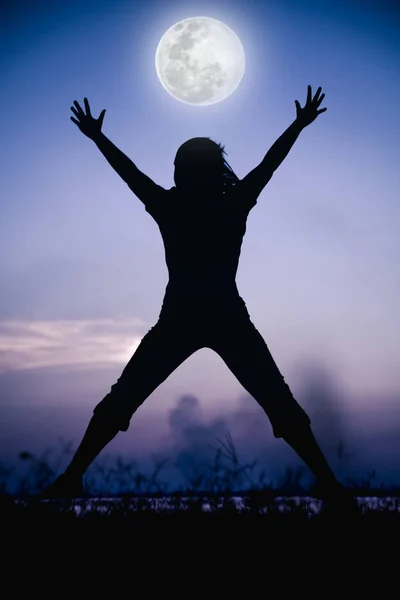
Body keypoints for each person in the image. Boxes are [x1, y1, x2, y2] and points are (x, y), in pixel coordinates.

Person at [43, 86, 353, 508]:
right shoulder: (227, 203)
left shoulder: (181, 205)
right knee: (271, 400)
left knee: (129, 398)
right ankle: (328, 483)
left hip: (197, 318)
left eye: (181, 165)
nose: (175, 171)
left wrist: (99, 138)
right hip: (207, 317)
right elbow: (267, 166)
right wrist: (297, 125)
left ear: (191, 170)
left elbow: (134, 173)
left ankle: (328, 483)